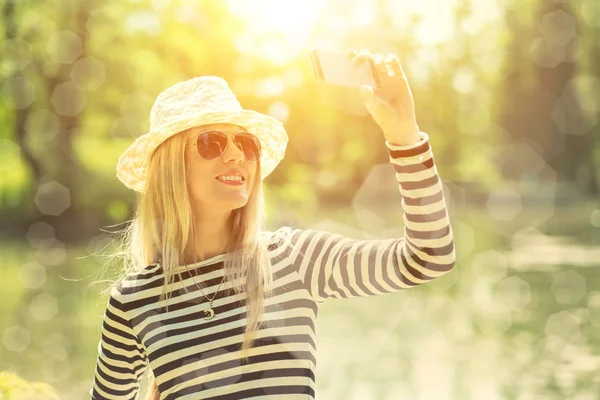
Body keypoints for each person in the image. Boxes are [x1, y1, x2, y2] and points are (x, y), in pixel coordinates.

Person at [89, 49, 456, 400]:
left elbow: (428, 258)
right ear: (171, 168)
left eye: (246, 144)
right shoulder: (133, 301)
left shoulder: (294, 259)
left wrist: (404, 137)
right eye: (212, 142)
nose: (236, 154)